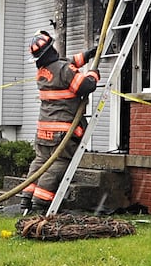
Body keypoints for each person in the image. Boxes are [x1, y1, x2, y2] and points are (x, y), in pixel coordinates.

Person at [22, 30, 98, 214]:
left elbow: (65, 64)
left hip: (43, 132)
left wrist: (88, 55)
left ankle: (26, 199)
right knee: (59, 164)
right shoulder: (64, 70)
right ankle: (41, 203)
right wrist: (94, 74)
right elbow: (86, 86)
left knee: (40, 162)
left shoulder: (42, 71)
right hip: (63, 133)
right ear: (51, 49)